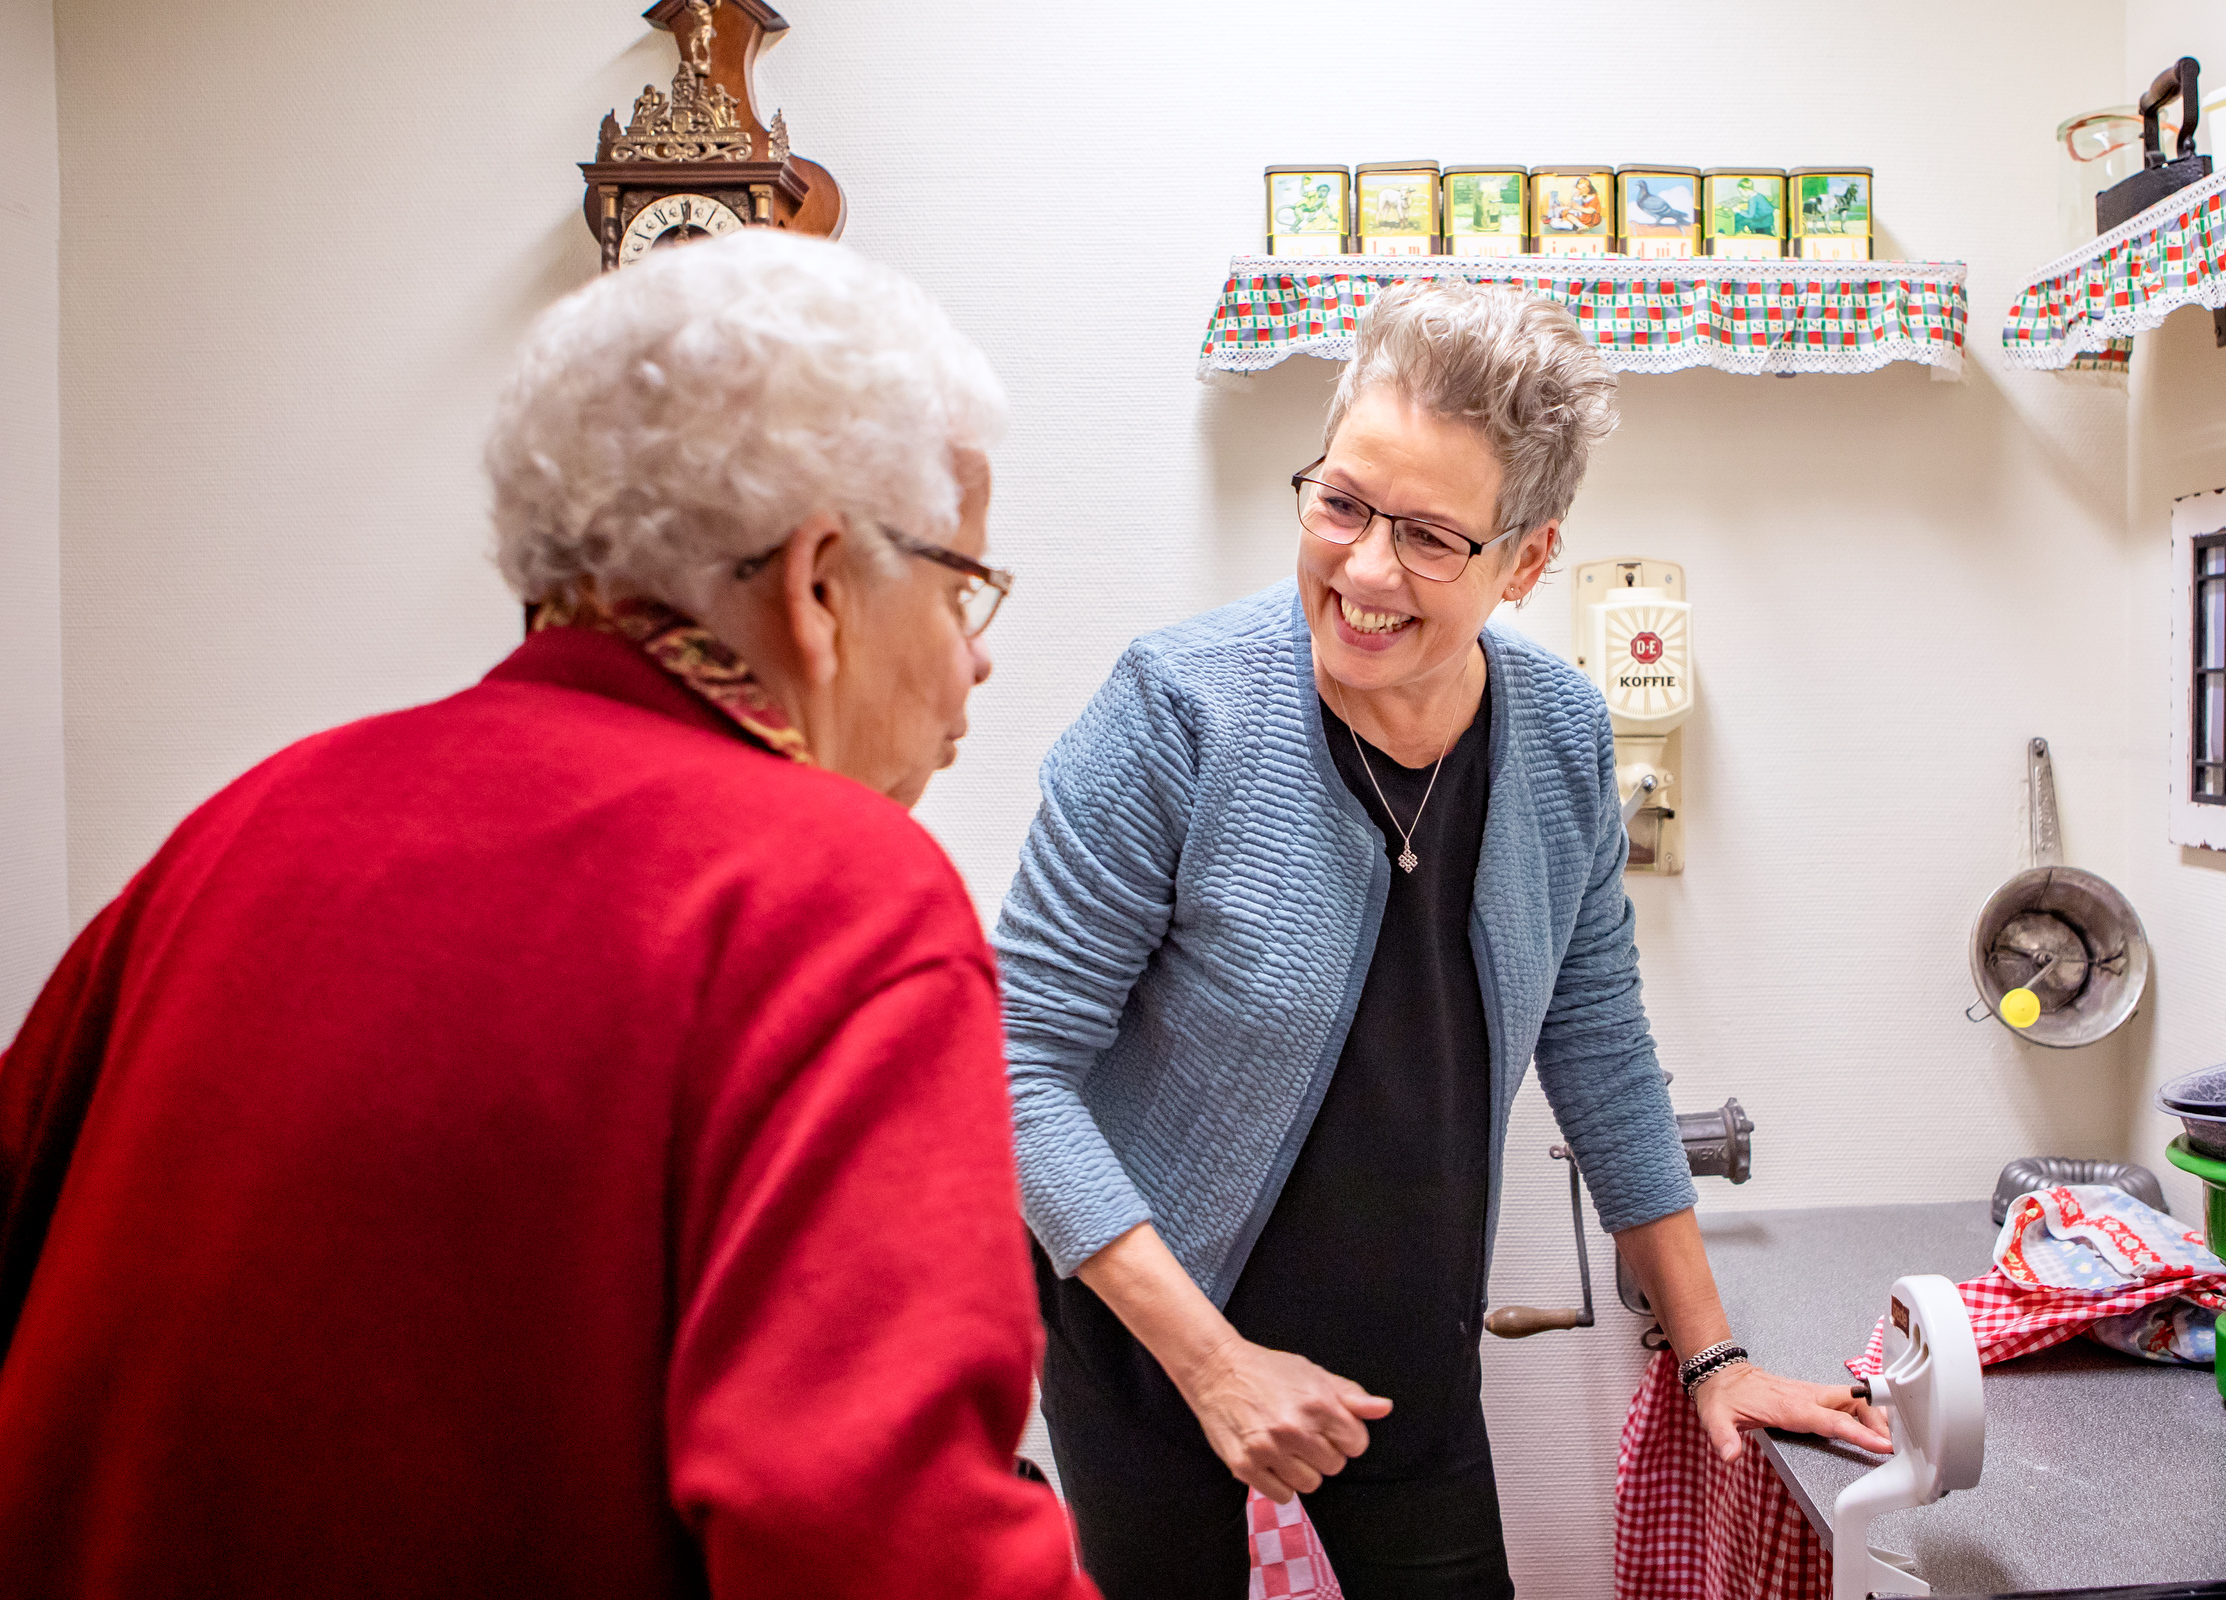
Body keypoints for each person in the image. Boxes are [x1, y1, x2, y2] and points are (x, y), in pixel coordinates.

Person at [0, 231, 1089, 1600]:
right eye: (961, 586)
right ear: (818, 586)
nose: (975, 656)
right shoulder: (833, 895)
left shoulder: (241, 824)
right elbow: (875, 1544)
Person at [997, 279, 1888, 1599]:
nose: (1364, 571)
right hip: (1150, 1342)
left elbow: (1600, 1046)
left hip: (1406, 1353)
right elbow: (1012, 1065)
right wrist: (1214, 1365)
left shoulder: (1562, 736)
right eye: (1342, 503)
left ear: (1525, 560)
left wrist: (1713, 1356)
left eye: (1428, 537)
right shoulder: (1176, 712)